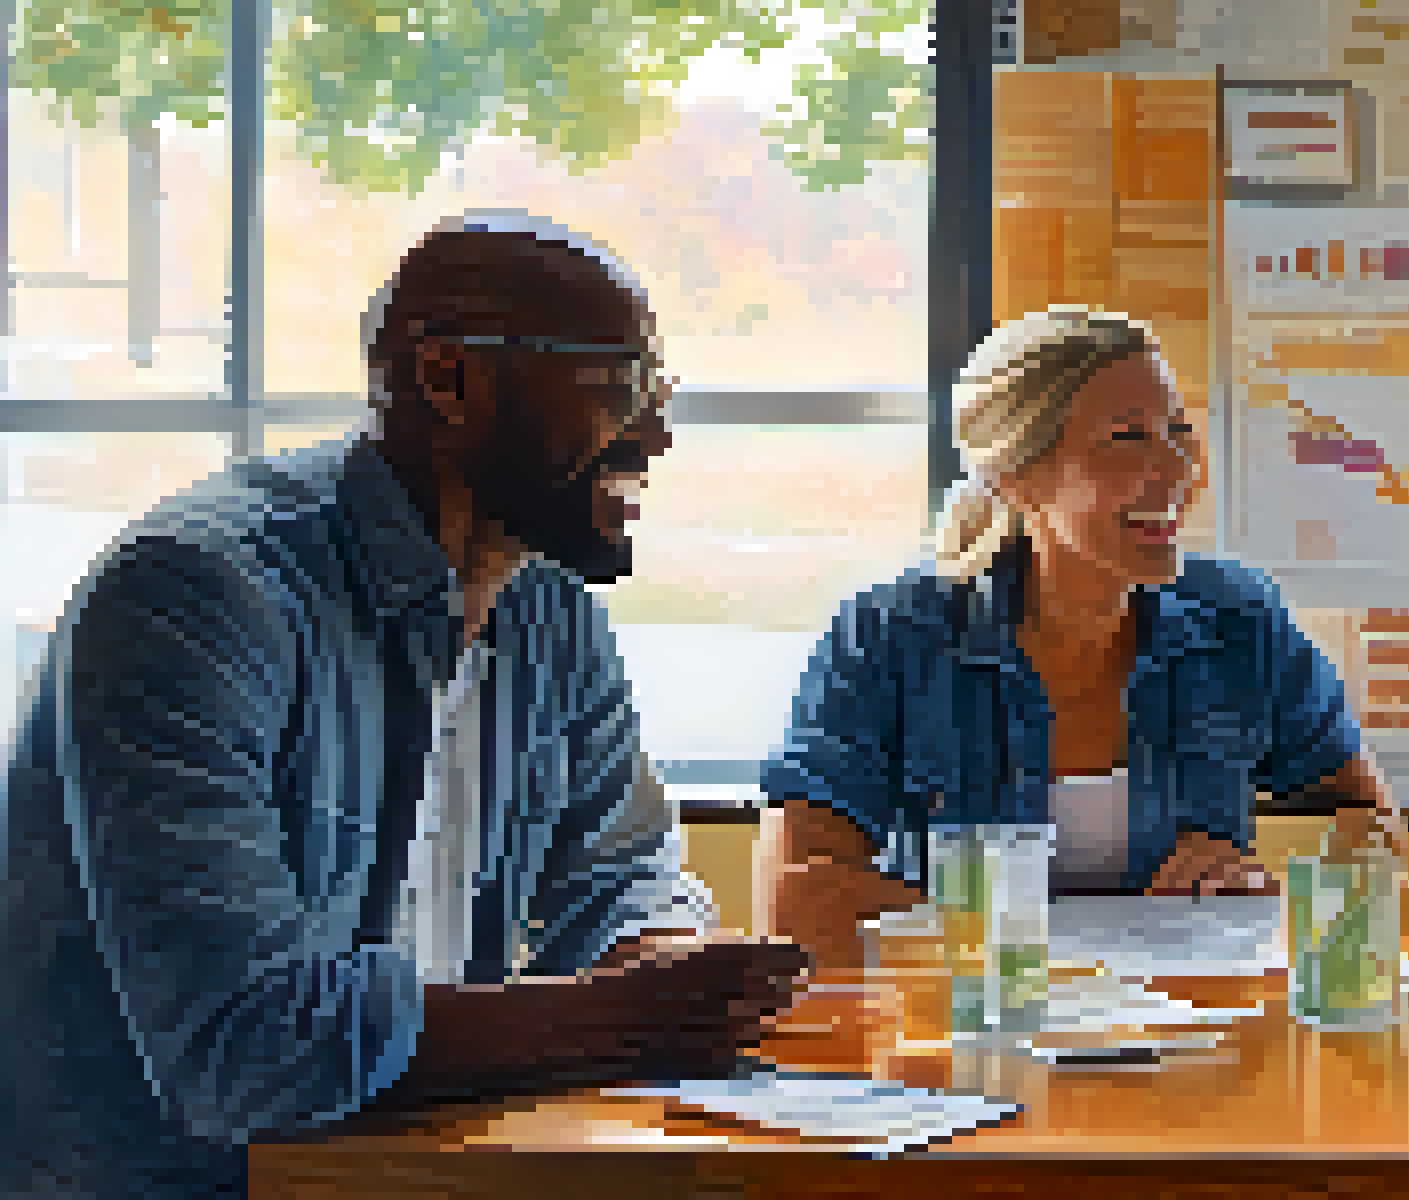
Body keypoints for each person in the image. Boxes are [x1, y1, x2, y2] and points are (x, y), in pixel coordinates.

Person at [0, 212, 809, 1200]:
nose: (657, 435)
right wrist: (628, 1016)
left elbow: (621, 876)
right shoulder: (196, 599)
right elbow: (244, 1052)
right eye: (620, 388)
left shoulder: (549, 611)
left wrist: (675, 963)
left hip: (414, 1174)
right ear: (446, 380)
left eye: (660, 393)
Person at [759, 305, 1406, 968]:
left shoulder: (1240, 619)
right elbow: (798, 901)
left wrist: (1271, 891)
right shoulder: (888, 636)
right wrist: (1060, 952)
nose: (1176, 468)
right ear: (1017, 475)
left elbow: (1366, 819)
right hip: (965, 1041)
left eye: (1179, 430)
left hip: (1188, 1042)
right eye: (1130, 439)